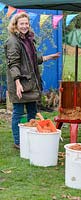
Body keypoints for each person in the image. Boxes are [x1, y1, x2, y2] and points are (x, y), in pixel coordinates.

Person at [4, 12, 60, 149]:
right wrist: (17, 82)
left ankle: (31, 136)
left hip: (30, 83)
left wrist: (48, 57)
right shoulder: (13, 41)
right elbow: (14, 64)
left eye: (26, 23)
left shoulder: (27, 39)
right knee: (18, 112)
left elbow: (32, 60)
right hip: (20, 83)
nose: (24, 26)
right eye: (21, 23)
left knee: (32, 111)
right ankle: (18, 141)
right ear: (15, 25)